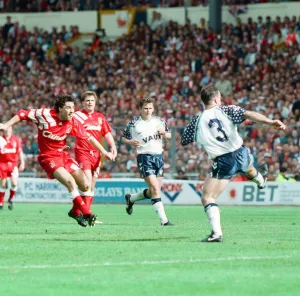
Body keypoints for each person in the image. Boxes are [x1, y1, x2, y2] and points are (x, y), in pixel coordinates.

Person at [181, 85, 286, 242]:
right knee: (248, 168)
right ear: (216, 99)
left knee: (208, 197)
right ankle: (261, 180)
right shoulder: (226, 110)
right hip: (241, 152)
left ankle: (216, 234)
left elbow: (184, 140)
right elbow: (248, 114)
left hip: (224, 160)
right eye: (220, 98)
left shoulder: (196, 121)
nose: (221, 100)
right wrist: (270, 122)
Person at [0, 94, 115, 227]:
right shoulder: (44, 115)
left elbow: (89, 138)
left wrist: (104, 151)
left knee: (86, 185)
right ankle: (87, 213)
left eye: (73, 107)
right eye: (68, 107)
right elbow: (22, 114)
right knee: (70, 182)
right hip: (48, 157)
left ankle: (74, 212)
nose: (72, 111)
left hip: (63, 156)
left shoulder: (72, 121)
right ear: (60, 108)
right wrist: (6, 124)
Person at [122, 97, 174, 226]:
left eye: (150, 108)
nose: (148, 110)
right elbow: (124, 138)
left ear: (153, 108)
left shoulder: (159, 121)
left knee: (153, 191)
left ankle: (131, 198)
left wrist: (164, 134)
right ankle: (164, 221)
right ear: (140, 109)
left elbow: (169, 135)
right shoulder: (134, 123)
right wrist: (131, 142)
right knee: (155, 188)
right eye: (145, 108)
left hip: (158, 157)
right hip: (144, 157)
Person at [73, 91, 117, 211]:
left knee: (92, 185)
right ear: (82, 103)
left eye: (92, 100)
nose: (90, 103)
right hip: (83, 152)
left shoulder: (100, 117)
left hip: (96, 154)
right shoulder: (77, 116)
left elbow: (107, 133)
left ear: (95, 102)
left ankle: (82, 212)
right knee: (86, 182)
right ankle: (85, 213)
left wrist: (113, 146)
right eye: (87, 100)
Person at [0, 126, 25, 210]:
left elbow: (20, 151)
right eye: (6, 129)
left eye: (9, 129)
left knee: (14, 183)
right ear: (4, 130)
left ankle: (10, 199)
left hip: (13, 164)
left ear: (11, 130)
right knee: (3, 184)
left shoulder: (16, 139)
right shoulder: (1, 139)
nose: (7, 131)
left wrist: (22, 162)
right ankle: (1, 202)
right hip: (2, 164)